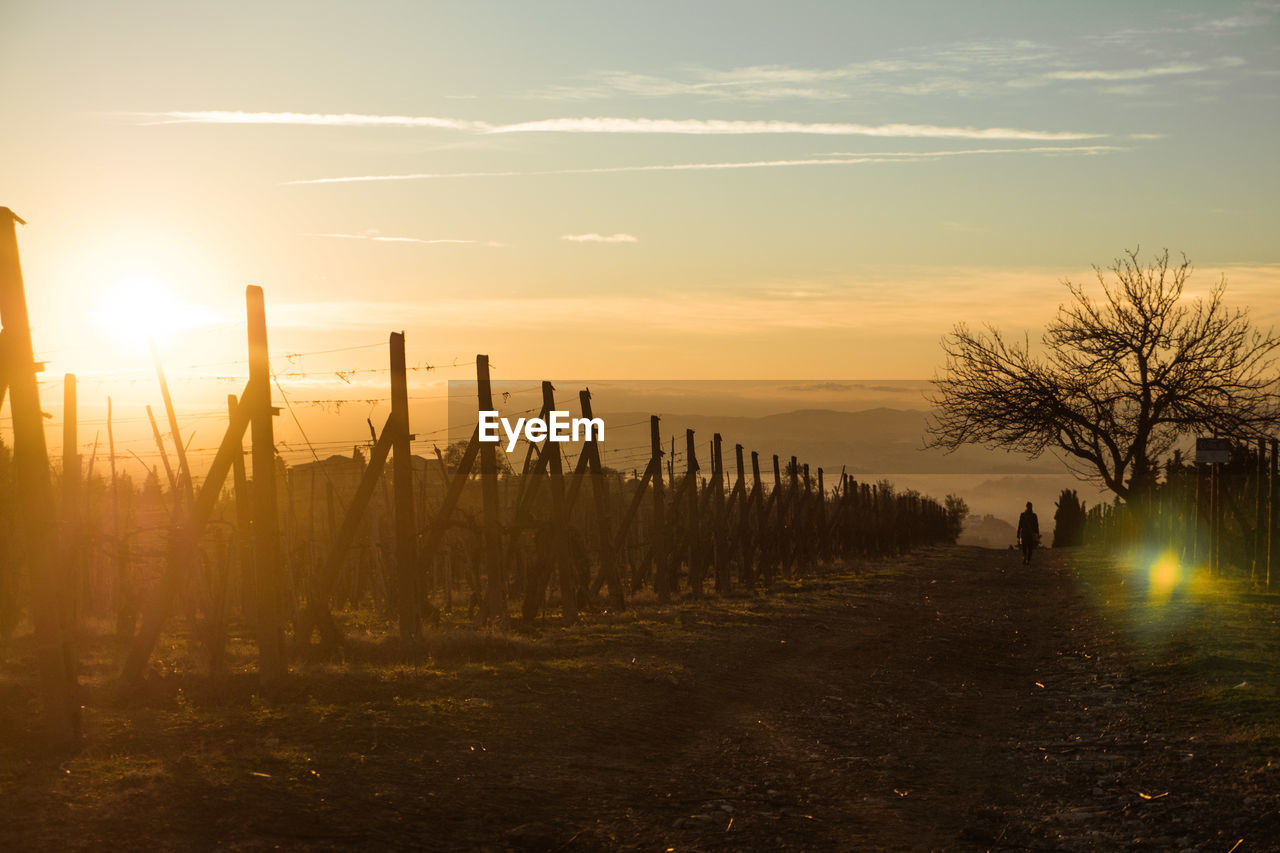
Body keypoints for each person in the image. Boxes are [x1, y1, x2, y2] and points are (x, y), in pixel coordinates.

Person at [1016, 501, 1040, 566]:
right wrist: (1037, 534)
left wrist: (1018, 533)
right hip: (1031, 534)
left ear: (1026, 507)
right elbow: (1036, 526)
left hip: (1024, 533)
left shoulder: (1023, 515)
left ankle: (1024, 557)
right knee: (1030, 548)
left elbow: (1020, 525)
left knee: (1024, 547)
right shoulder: (1034, 516)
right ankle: (1028, 560)